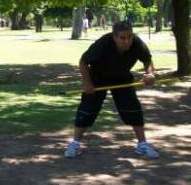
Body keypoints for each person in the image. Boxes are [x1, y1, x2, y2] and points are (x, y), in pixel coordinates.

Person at [64, 21, 159, 159]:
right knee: (87, 109)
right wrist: (87, 82)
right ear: (114, 37)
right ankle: (75, 144)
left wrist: (150, 74)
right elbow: (83, 61)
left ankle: (142, 145)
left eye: (130, 37)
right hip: (97, 78)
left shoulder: (137, 43)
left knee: (133, 108)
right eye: (122, 38)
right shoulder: (103, 43)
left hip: (122, 77)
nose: (127, 41)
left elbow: (147, 60)